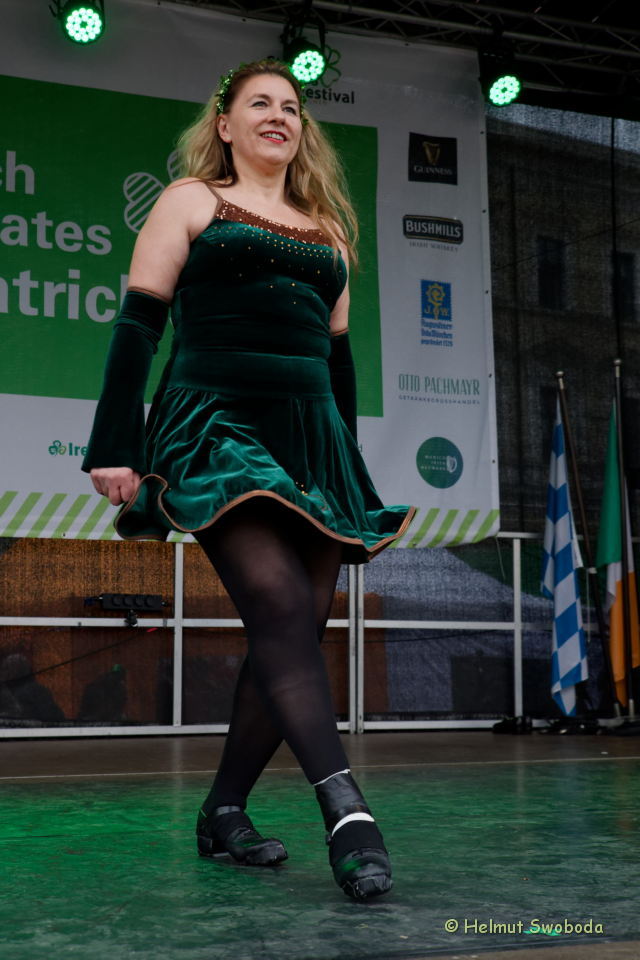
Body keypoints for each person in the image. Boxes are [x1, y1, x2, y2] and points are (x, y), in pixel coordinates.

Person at [82, 59, 416, 901]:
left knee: (293, 627)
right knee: (278, 605)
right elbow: (137, 326)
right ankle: (347, 813)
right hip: (214, 424)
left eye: (291, 107)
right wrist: (114, 446)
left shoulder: (329, 231)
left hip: (312, 444)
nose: (279, 116)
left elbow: (339, 366)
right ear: (224, 125)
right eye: (259, 104)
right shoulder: (191, 200)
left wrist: (347, 472)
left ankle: (222, 811)